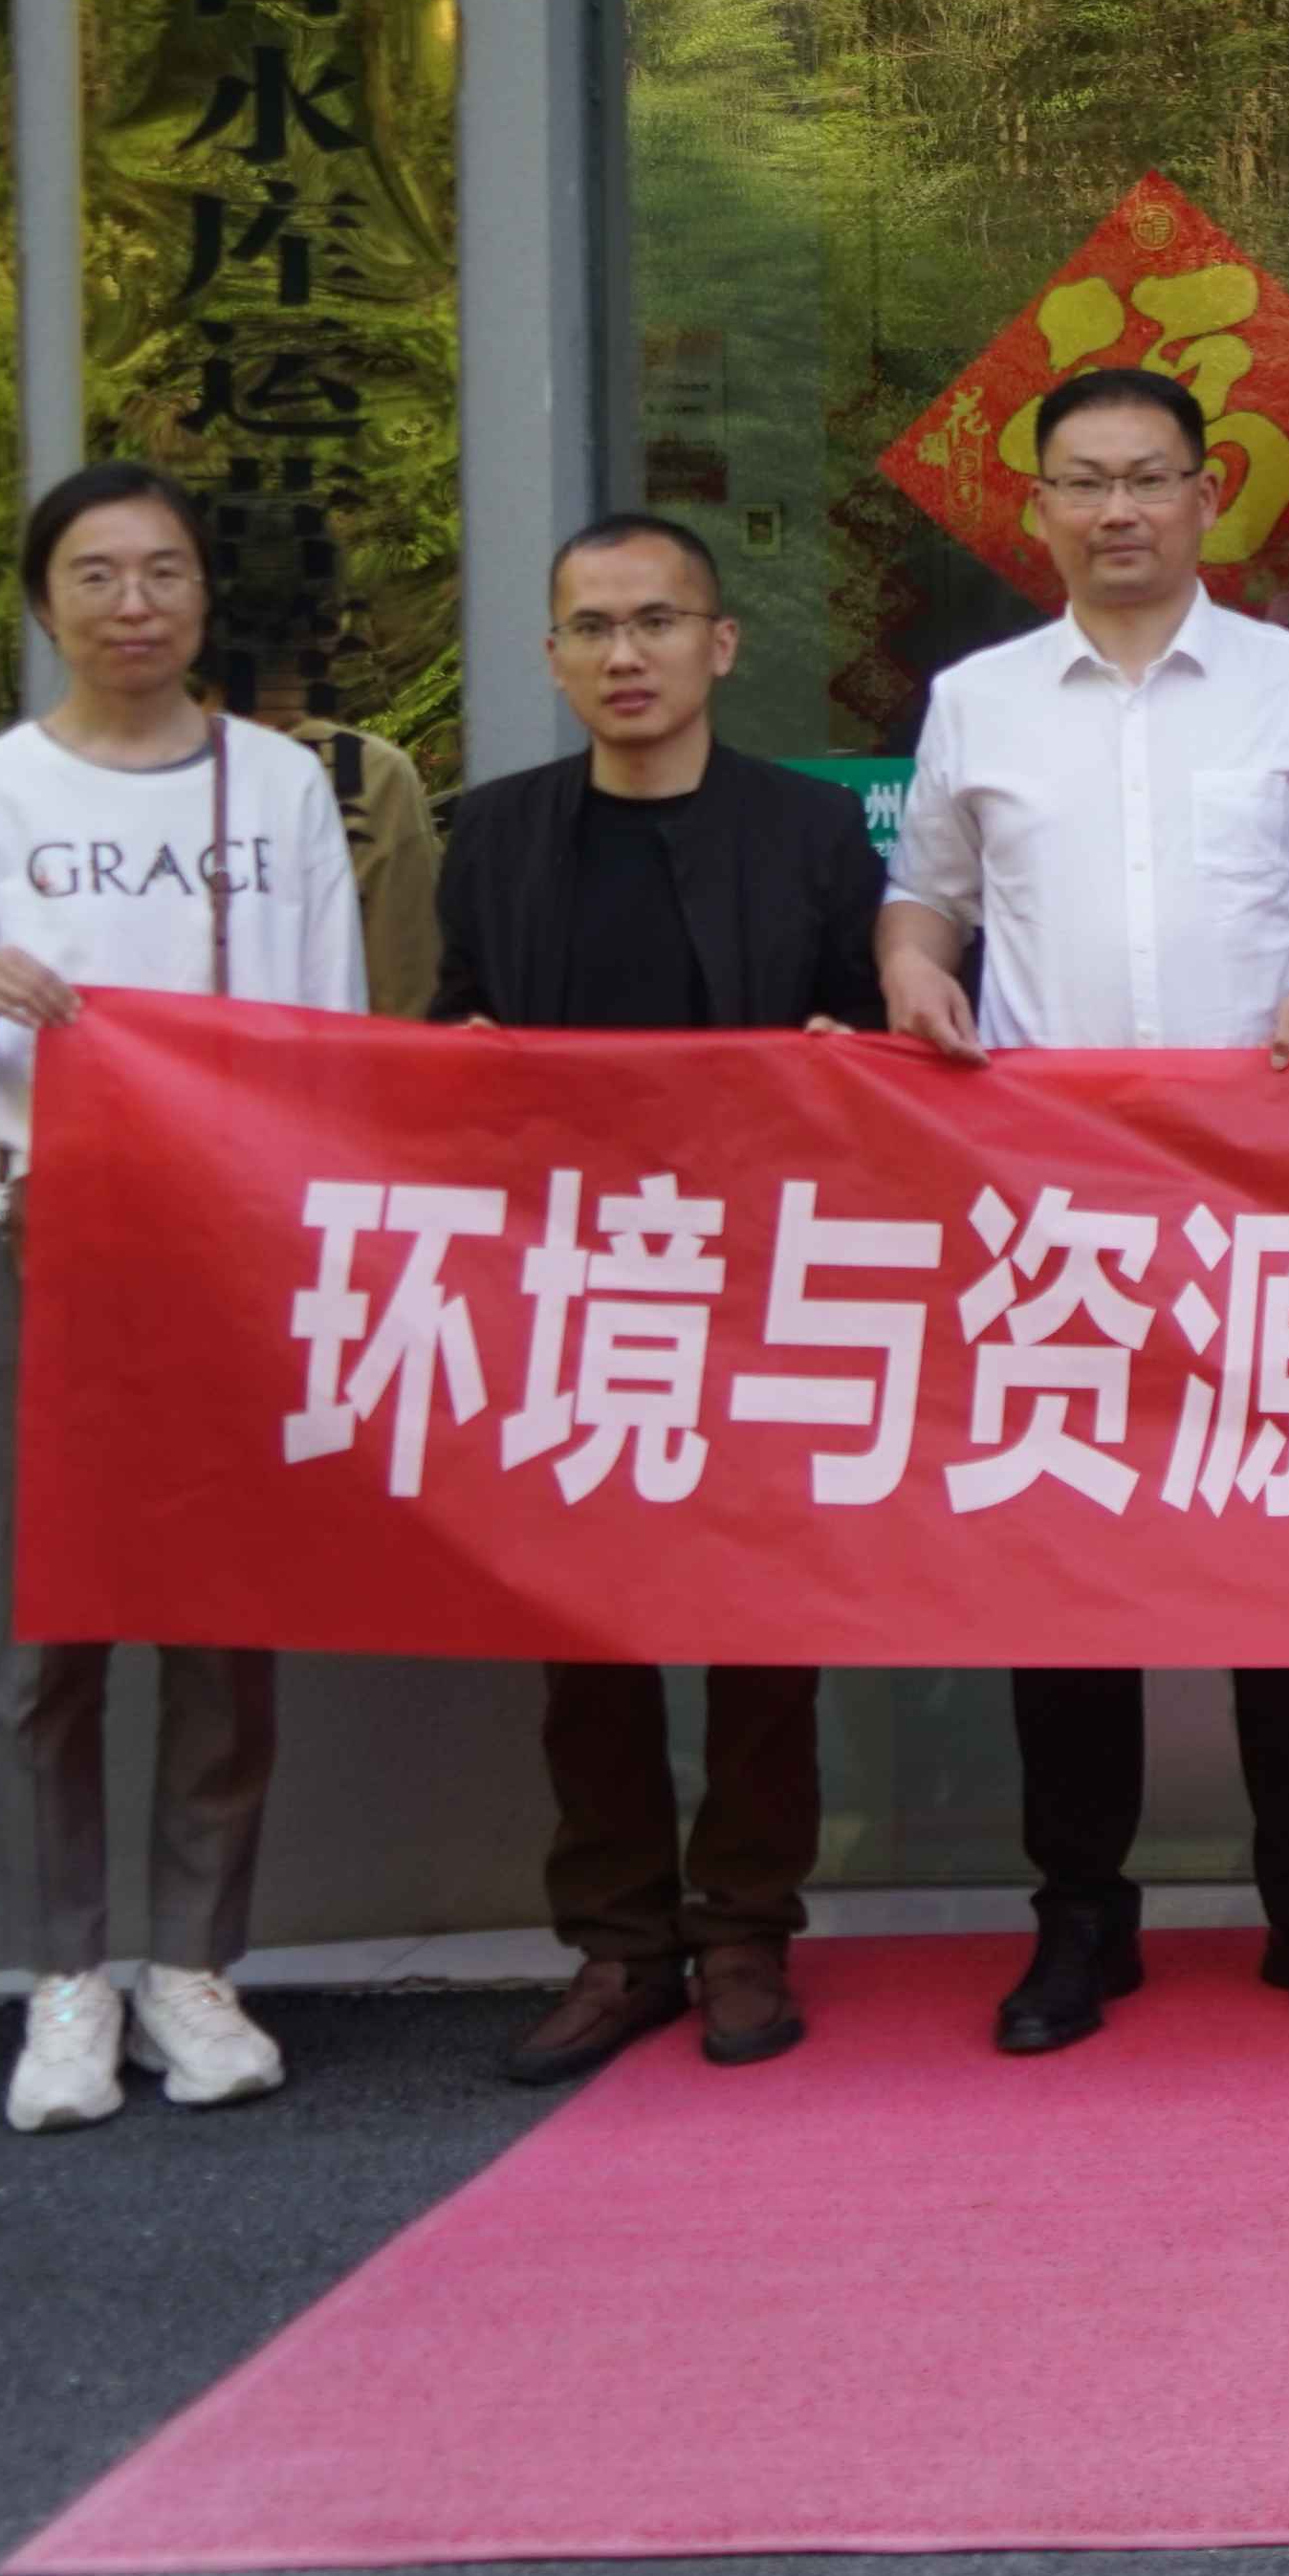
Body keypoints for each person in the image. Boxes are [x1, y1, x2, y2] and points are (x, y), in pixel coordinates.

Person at [877, 365, 1289, 2050]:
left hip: (1260, 1190)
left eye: (1150, 477)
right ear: (1038, 508)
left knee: (1285, 1558)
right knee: (1070, 1566)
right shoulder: (977, 701)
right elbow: (924, 898)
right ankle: (1079, 1918)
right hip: (1058, 1204)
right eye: (1084, 482)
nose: (1118, 510)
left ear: (1206, 497)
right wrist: (912, 977)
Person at [0, 461, 370, 2133]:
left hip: (232, 1250)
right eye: (96, 574)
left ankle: (194, 1967)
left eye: (163, 571)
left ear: (205, 597)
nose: (133, 604)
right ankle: (65, 1979)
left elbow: (331, 1033)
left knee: (226, 1626)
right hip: (41, 1235)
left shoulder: (277, 787)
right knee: (45, 1632)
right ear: (45, 603)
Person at [432, 512, 889, 2085]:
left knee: (763, 1629)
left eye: (656, 622)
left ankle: (749, 1925)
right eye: (592, 628)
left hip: (761, 1282)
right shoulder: (494, 836)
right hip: (570, 1282)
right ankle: (621, 1943)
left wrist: (846, 1059)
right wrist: (457, 1063)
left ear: (720, 644)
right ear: (552, 656)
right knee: (588, 1635)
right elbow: (442, 1038)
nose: (624, 655)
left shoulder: (810, 833)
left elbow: (874, 1040)